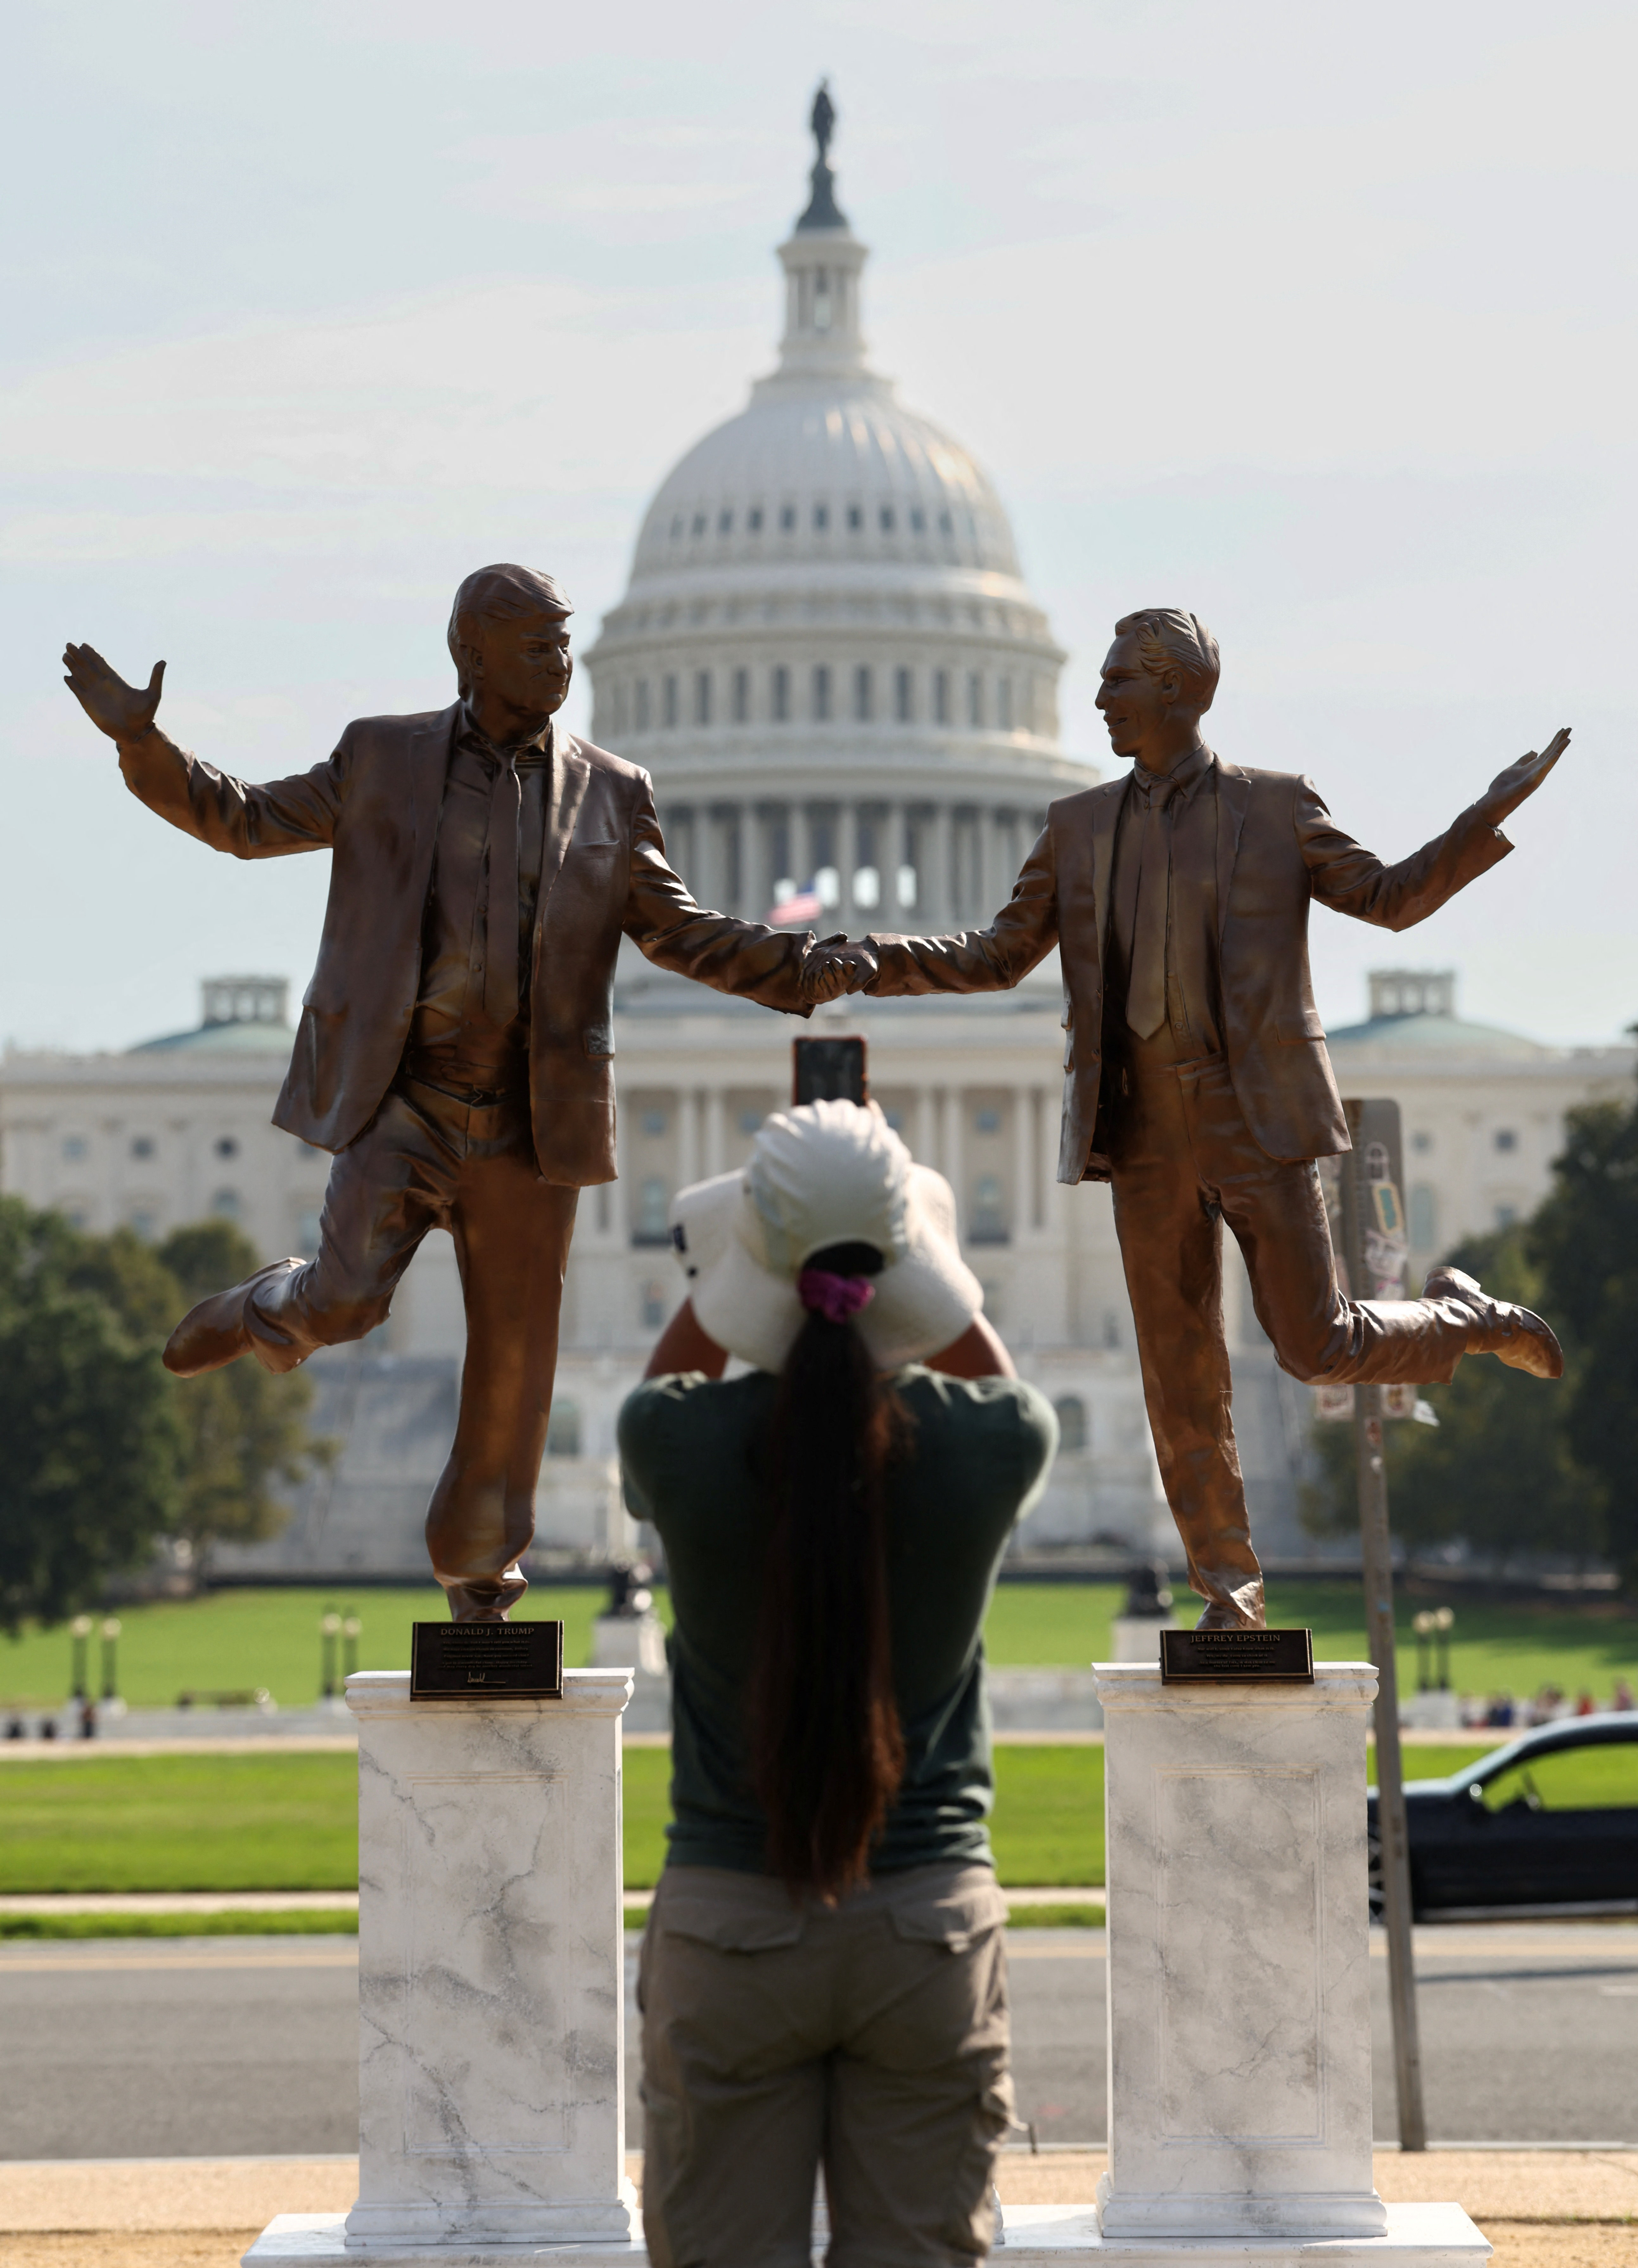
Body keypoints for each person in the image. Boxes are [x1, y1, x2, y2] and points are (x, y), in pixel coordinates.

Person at [61, 568, 848, 1620]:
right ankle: (266, 1307)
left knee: (517, 1357)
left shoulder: (612, 788)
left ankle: (479, 1562)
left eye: (567, 647)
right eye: (536, 647)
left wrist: (802, 971)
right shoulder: (382, 756)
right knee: (345, 1302)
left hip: (533, 1116)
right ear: (470, 655)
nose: (560, 666)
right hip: (407, 1093)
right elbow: (243, 821)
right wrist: (143, 748)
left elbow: (679, 930)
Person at [817, 608, 1569, 1631]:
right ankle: (1230, 1588)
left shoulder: (1274, 809)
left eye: (1119, 680)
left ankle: (1465, 1320)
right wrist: (878, 958)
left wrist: (1479, 822)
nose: (1097, 701)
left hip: (1254, 1116)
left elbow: (1388, 899)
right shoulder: (1077, 827)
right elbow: (997, 955)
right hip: (1142, 1132)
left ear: (1177, 689)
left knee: (1315, 1345)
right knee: (1180, 1381)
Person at [618, 1100, 1057, 2268]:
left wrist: (741, 1269)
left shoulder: (679, 1448)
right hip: (924, 1929)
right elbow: (999, 1386)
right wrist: (915, 1259)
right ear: (905, 1257)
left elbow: (669, 1386)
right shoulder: (986, 1450)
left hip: (729, 1923)